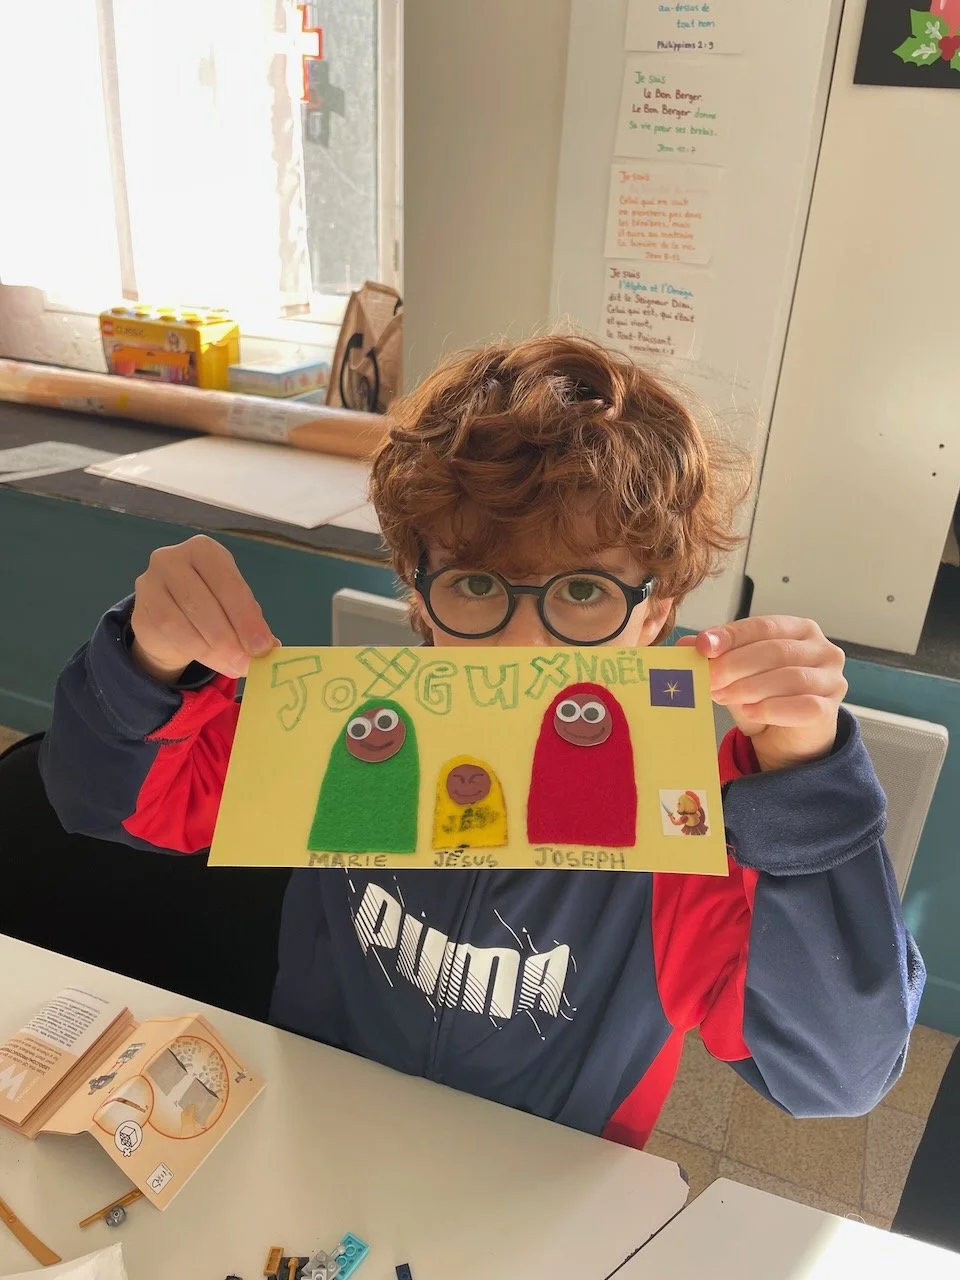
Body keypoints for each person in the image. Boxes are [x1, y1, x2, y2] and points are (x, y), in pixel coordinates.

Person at [39, 335, 923, 1148]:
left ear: (655, 614)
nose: (521, 647)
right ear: (419, 592)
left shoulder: (690, 831)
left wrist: (806, 786)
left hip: (538, 1183)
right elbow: (104, 801)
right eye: (474, 585)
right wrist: (148, 663)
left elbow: (835, 1074)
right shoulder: (349, 735)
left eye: (584, 593)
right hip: (319, 1132)